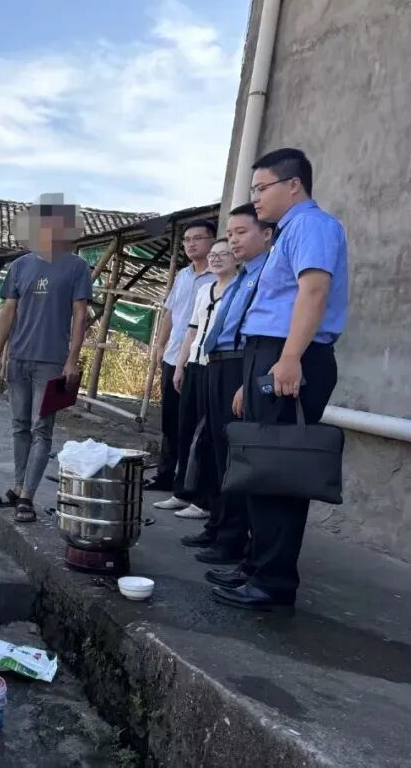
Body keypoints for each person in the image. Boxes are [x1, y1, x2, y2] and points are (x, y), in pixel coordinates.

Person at [211, 148, 348, 610]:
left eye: (260, 188)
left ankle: (274, 581)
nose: (256, 198)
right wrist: (251, 378)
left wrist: (289, 358)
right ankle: (255, 564)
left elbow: (313, 291)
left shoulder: (311, 225)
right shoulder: (286, 234)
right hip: (269, 356)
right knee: (258, 463)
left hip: (293, 354)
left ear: (293, 185)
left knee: (278, 470)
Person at [0, 200, 91, 523]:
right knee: (20, 426)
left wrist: (72, 360)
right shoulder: (20, 266)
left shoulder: (77, 267)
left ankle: (28, 498)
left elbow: (80, 316)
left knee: (41, 429)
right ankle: (18, 487)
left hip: (53, 362)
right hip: (19, 357)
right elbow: (8, 311)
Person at [186, 204, 274, 567]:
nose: (233, 241)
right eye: (231, 233)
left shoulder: (267, 274)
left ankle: (232, 539)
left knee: (233, 456)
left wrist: (248, 381)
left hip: (238, 366)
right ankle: (217, 524)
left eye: (241, 233)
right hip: (215, 364)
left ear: (266, 234)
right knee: (213, 449)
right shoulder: (243, 278)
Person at [170, 237, 239, 521]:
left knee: (209, 434)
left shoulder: (240, 290)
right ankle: (182, 492)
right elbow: (191, 330)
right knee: (186, 429)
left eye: (223, 253)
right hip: (196, 365)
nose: (216, 258)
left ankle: (205, 500)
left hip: (218, 367)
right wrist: (180, 364)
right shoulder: (205, 290)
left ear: (236, 259)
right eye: (213, 254)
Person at [151, 219, 217, 502]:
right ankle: (165, 476)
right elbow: (169, 313)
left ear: (213, 240)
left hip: (199, 361)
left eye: (198, 238)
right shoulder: (182, 275)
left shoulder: (219, 278)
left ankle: (188, 486)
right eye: (187, 239)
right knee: (169, 421)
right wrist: (159, 345)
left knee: (191, 425)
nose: (191, 244)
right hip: (172, 355)